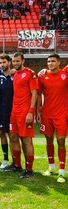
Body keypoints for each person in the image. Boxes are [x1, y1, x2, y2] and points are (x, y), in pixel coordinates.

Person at [37, 54, 68, 183]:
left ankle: (61, 171)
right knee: (49, 140)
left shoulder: (65, 73)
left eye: (53, 61)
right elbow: (38, 93)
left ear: (59, 62)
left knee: (61, 141)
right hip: (46, 114)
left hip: (61, 114)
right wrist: (38, 110)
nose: (50, 63)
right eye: (48, 61)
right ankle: (51, 167)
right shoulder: (43, 76)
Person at [9, 52, 38, 178]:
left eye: (17, 61)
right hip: (14, 112)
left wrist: (31, 112)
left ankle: (29, 170)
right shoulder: (15, 73)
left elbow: (35, 94)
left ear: (23, 61)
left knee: (26, 140)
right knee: (13, 137)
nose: (15, 63)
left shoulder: (30, 73)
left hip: (25, 112)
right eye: (13, 61)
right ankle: (17, 165)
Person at [0, 53, 14, 169]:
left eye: (4, 62)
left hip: (14, 111)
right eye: (0, 63)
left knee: (13, 137)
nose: (2, 65)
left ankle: (15, 161)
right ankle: (5, 159)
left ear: (9, 62)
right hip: (2, 111)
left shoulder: (15, 75)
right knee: (1, 133)